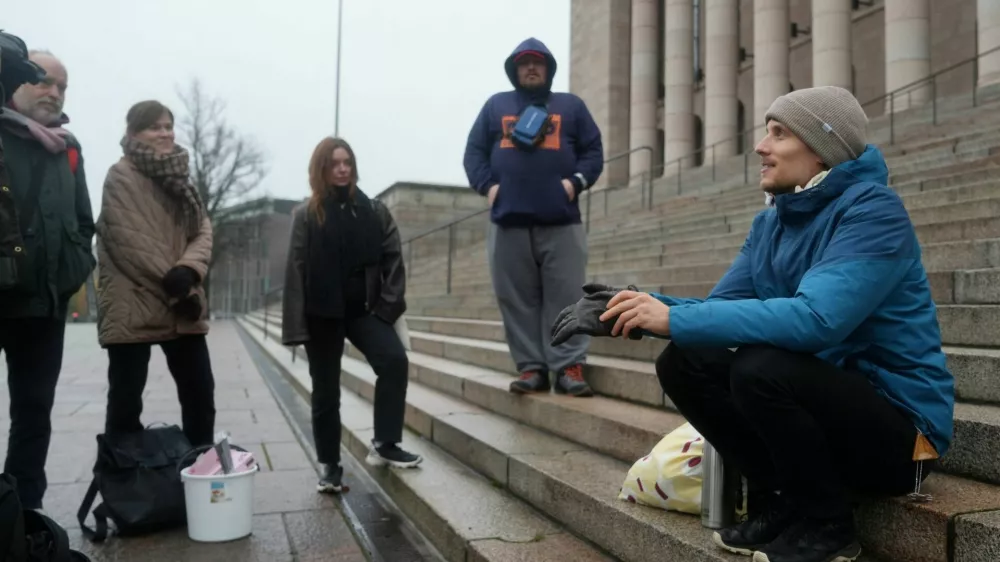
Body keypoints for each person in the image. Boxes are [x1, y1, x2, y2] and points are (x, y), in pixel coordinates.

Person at [551, 86, 954, 562]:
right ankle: (784, 499)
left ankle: (828, 524)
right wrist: (639, 310)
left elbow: (817, 320)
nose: (761, 147)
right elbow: (718, 310)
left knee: (760, 366)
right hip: (826, 413)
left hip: (903, 440)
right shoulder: (771, 224)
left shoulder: (873, 212)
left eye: (779, 133)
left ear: (822, 147)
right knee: (686, 360)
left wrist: (670, 317)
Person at [462, 37, 604, 397]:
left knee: (567, 296)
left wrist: (575, 183)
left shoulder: (571, 107)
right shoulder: (496, 106)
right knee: (516, 298)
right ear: (514, 69)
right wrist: (489, 188)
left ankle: (569, 366)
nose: (530, 68)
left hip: (562, 221)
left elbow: (593, 151)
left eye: (537, 62)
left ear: (548, 69)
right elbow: (474, 152)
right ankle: (531, 367)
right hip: (507, 222)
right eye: (524, 63)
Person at [282, 136, 422, 494]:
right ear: (321, 170)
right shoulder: (306, 215)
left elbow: (393, 259)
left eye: (347, 162)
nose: (342, 168)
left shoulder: (373, 210)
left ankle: (386, 443)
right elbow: (296, 270)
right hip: (321, 314)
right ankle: (330, 465)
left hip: (364, 310)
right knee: (326, 392)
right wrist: (296, 326)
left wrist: (386, 307)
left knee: (393, 361)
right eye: (334, 163)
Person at [0, 49, 96, 510]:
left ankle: (23, 516)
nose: (54, 92)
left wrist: (71, 273)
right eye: (43, 81)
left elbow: (83, 222)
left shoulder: (68, 149)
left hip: (45, 305)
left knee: (34, 413)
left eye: (61, 86)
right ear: (15, 81)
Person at [95, 100, 216, 448]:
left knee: (200, 396)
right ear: (134, 133)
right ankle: (124, 484)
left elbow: (203, 230)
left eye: (168, 126)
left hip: (183, 300)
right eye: (154, 127)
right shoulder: (120, 176)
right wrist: (179, 285)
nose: (164, 133)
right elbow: (130, 241)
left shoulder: (181, 178)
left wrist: (189, 268)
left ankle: (196, 471)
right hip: (135, 302)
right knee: (125, 403)